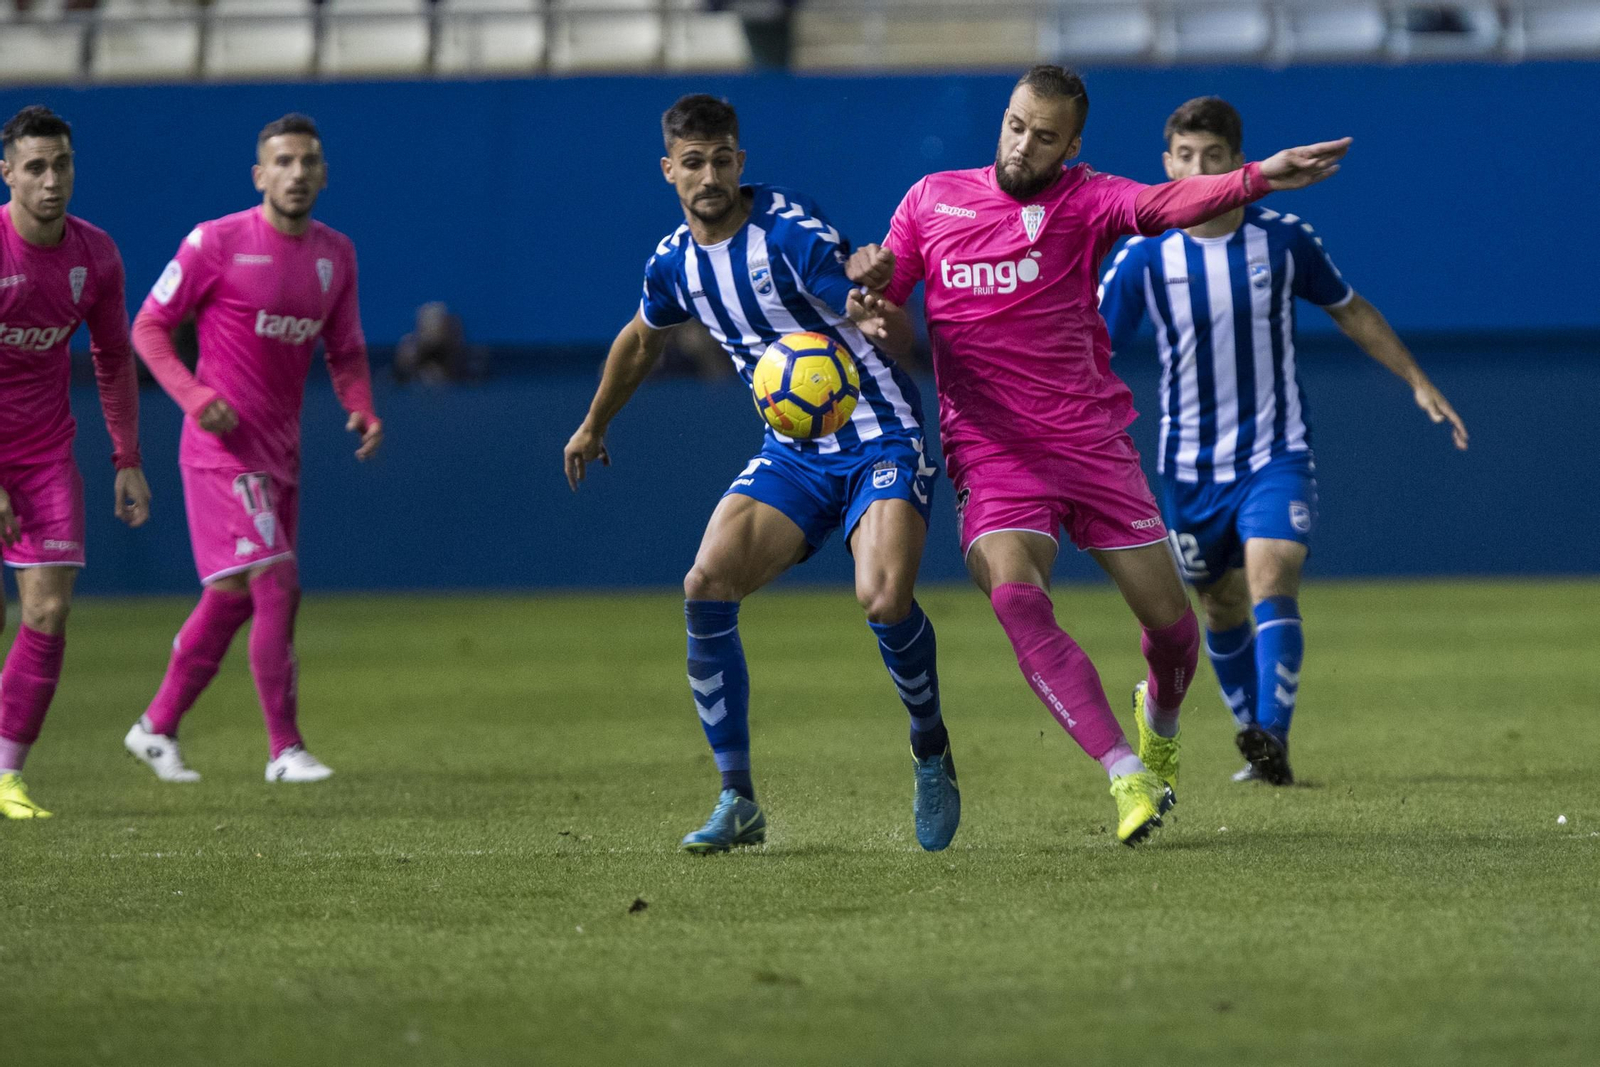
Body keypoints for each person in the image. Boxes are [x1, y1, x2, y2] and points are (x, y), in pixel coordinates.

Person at [847, 65, 1350, 844]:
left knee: (1175, 631)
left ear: (1071, 146)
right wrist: (872, 305)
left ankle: (1161, 721)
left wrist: (1258, 178)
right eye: (1016, 125)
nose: (1023, 144)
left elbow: (1165, 204)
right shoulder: (931, 200)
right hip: (990, 449)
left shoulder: (1087, 200)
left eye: (1045, 136)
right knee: (1016, 597)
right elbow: (895, 314)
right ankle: (1125, 772)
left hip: (1090, 444)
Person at [563, 94, 959, 854]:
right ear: (669, 170)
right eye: (693, 163)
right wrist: (594, 422)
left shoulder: (786, 231)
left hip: (880, 436)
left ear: (740, 161)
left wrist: (867, 301)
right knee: (705, 582)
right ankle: (737, 799)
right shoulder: (673, 263)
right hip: (793, 452)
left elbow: (850, 290)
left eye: (722, 160)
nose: (709, 176)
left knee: (883, 599)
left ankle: (930, 747)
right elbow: (642, 341)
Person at [1098, 96, 1468, 784]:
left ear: (1239, 162)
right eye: (1186, 157)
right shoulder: (1145, 255)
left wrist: (1416, 379)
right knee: (1220, 603)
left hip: (1275, 451)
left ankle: (1271, 731)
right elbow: (1090, 349)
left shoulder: (1284, 239)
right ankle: (1258, 744)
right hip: (1188, 468)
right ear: (1167, 165)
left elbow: (1349, 309)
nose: (1199, 170)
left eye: (1214, 157)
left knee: (1272, 573)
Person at [124, 113, 382, 784]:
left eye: (308, 162)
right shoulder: (215, 241)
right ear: (259, 175)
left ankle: (155, 726)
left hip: (281, 452)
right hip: (222, 450)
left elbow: (345, 347)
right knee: (277, 582)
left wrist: (359, 406)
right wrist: (192, 394)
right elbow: (148, 326)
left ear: (324, 176)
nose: (297, 173)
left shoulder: (336, 254)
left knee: (234, 595)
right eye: (283, 162)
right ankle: (284, 749)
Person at [0, 105, 150, 818]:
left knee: (49, 609)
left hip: (44, 453)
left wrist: (127, 456)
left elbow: (114, 358)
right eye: (35, 167)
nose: (51, 180)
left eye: (61, 164)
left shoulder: (96, 256)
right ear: (6, 173)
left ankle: (5, 776)